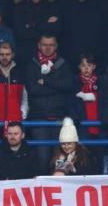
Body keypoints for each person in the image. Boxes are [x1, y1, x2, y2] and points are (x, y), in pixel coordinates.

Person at [24, 33, 74, 168]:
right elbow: (33, 90)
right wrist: (57, 87)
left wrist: (45, 81)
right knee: (42, 158)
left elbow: (69, 85)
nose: (48, 48)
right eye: (45, 45)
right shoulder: (31, 65)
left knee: (61, 159)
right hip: (39, 119)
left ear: (56, 46)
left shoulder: (64, 64)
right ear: (39, 45)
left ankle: (61, 185)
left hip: (60, 118)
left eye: (51, 45)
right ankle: (42, 187)